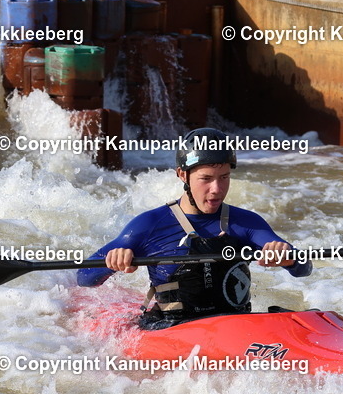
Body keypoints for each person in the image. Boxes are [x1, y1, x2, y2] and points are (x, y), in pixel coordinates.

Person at [77, 128, 312, 329]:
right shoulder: (149, 225)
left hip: (235, 326)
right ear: (182, 175)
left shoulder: (246, 223)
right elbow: (85, 278)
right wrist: (114, 261)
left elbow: (304, 268)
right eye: (206, 178)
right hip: (171, 330)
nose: (217, 189)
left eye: (224, 177)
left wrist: (287, 257)